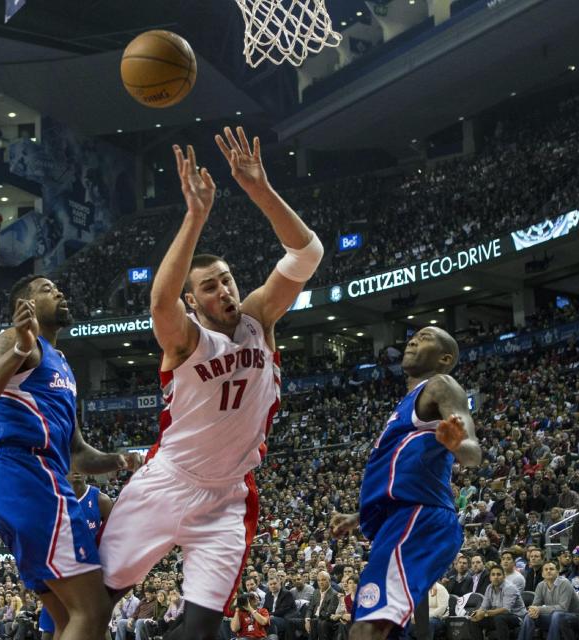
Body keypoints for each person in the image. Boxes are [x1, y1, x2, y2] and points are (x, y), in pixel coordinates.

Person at [98, 127, 324, 640]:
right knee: (95, 603)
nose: (224, 288)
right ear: (193, 301)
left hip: (227, 496)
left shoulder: (260, 317)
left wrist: (259, 189)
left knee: (202, 631)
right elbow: (159, 304)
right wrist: (195, 216)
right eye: (209, 285)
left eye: (226, 278)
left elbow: (307, 254)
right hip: (167, 482)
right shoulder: (184, 340)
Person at [0, 274, 141, 640]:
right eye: (46, 289)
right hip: (31, 475)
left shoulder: (62, 364)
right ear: (24, 306)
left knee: (67, 619)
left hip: (27, 481)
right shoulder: (17, 341)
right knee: (93, 612)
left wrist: (121, 460)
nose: (59, 291)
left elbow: (77, 453)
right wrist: (17, 350)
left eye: (58, 286)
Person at [330, 325, 481, 640]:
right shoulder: (406, 404)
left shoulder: (441, 385)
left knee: (366, 627)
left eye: (425, 337)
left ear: (445, 358)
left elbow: (473, 452)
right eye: (413, 336)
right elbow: (400, 474)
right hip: (402, 517)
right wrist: (359, 517)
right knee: (383, 628)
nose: (413, 340)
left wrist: (456, 444)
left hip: (420, 518)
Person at [37, 471, 113, 639]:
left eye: (81, 465)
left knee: (100, 629)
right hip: (60, 576)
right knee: (50, 632)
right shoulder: (52, 500)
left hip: (90, 577)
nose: (77, 469)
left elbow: (117, 539)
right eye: (72, 465)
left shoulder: (101, 500)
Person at [517, 561, 579, 640]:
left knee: (557, 614)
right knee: (529, 616)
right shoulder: (541, 585)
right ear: (542, 574)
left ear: (557, 572)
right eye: (546, 569)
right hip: (554, 616)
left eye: (551, 569)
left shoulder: (565, 583)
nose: (548, 571)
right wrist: (533, 610)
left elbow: (563, 608)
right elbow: (536, 605)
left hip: (575, 616)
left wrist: (539, 609)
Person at [471, 566, 526, 640]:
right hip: (498, 617)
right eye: (493, 575)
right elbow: (484, 606)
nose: (495, 577)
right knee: (475, 619)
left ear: (504, 576)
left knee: (499, 618)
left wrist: (484, 613)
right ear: (490, 577)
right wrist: (478, 613)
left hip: (517, 617)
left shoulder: (509, 588)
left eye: (498, 574)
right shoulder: (489, 588)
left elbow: (506, 610)